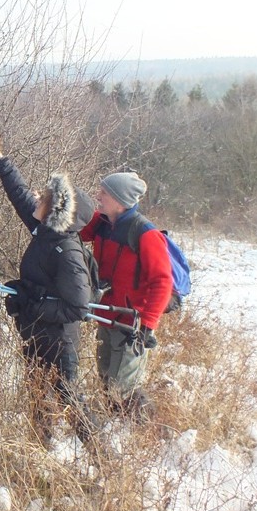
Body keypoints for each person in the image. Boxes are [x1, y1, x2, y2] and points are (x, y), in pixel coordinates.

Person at [0, 131, 98, 443]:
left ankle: (103, 458)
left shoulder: (67, 251)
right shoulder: (45, 231)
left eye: (44, 197)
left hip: (59, 343)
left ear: (55, 211)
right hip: (36, 334)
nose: (36, 197)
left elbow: (78, 306)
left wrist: (33, 304)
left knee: (70, 401)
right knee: (37, 394)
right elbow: (19, 195)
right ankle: (40, 448)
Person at [79, 171, 172, 420]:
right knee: (106, 378)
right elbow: (75, 230)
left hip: (132, 325)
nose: (98, 196)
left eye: (104, 193)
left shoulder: (146, 234)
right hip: (105, 317)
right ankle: (117, 425)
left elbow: (162, 282)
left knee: (124, 388)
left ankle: (146, 428)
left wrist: (147, 326)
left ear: (120, 200)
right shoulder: (102, 222)